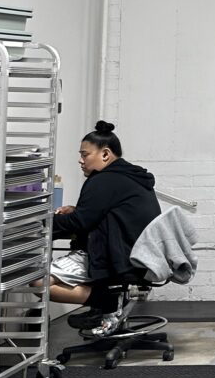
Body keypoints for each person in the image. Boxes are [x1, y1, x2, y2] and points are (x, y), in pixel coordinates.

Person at [48, 121, 162, 336]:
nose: (80, 160)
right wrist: (76, 211)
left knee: (37, 282)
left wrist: (43, 225)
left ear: (105, 154)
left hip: (118, 257)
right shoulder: (130, 176)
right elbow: (102, 213)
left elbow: (81, 222)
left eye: (85, 154)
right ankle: (103, 305)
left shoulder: (103, 180)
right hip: (136, 254)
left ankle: (106, 301)